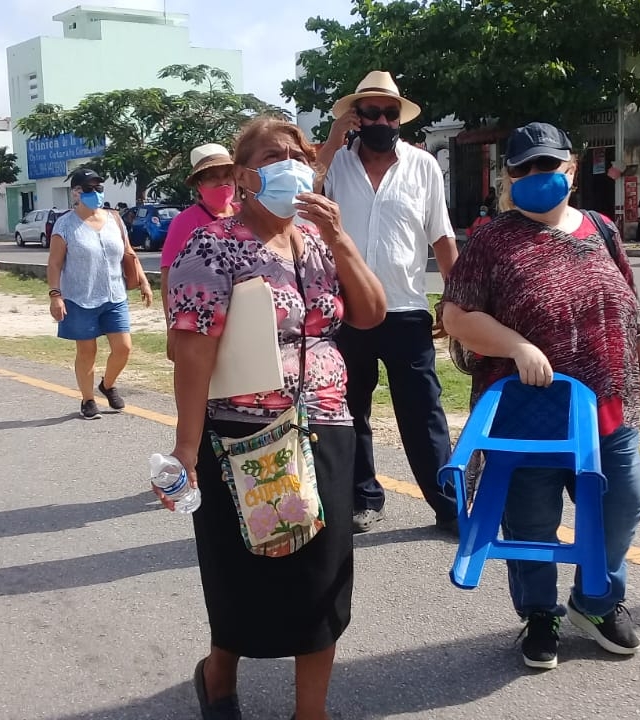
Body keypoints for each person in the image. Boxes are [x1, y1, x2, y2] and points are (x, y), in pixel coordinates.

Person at [162, 115, 386, 720]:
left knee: (323, 573)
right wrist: (187, 449)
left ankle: (308, 713)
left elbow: (369, 315)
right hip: (244, 436)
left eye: (297, 154)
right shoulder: (213, 245)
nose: (288, 163)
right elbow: (192, 347)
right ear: (244, 175)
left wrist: (340, 238)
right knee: (244, 573)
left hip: (327, 426)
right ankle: (218, 679)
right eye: (270, 155)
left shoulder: (315, 240)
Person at [441, 122, 640, 668]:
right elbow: (456, 316)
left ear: (572, 168)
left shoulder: (602, 229)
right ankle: (541, 614)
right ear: (509, 176)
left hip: (606, 410)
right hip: (527, 414)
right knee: (532, 522)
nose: (538, 175)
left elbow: (628, 298)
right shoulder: (492, 240)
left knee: (621, 506)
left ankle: (597, 602)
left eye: (549, 165)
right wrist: (515, 345)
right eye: (525, 168)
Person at [318, 69, 461, 535]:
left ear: (400, 118)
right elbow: (307, 184)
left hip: (406, 311)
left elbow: (441, 236)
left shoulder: (422, 166)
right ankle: (365, 498)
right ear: (356, 117)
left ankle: (449, 506)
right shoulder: (335, 165)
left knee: (424, 415)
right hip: (348, 311)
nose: (382, 119)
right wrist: (335, 136)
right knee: (350, 409)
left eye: (390, 112)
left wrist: (455, 299)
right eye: (371, 111)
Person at [47, 168, 153, 419]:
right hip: (80, 298)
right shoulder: (65, 224)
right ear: (76, 193)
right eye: (90, 188)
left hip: (114, 295)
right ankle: (88, 399)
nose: (96, 193)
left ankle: (108, 384)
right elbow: (54, 263)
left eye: (99, 188)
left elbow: (129, 253)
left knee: (124, 348)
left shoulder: (114, 220)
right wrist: (55, 295)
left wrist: (144, 282)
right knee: (87, 351)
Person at [160, 142, 237, 358]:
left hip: (244, 318)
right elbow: (168, 279)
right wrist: (172, 331)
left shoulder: (247, 215)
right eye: (213, 177)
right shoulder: (184, 222)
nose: (222, 183)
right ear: (199, 184)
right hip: (201, 322)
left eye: (227, 175)